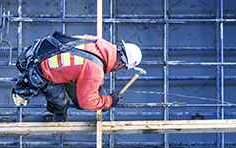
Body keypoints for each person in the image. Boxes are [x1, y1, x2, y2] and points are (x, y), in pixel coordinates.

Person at [11, 31, 142, 122]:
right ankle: (58, 113)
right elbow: (87, 102)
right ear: (122, 65)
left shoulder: (101, 43)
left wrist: (98, 86)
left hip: (52, 54)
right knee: (61, 103)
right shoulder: (95, 70)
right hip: (44, 71)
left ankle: (72, 100)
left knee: (84, 93)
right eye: (124, 67)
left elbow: (85, 63)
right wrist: (109, 101)